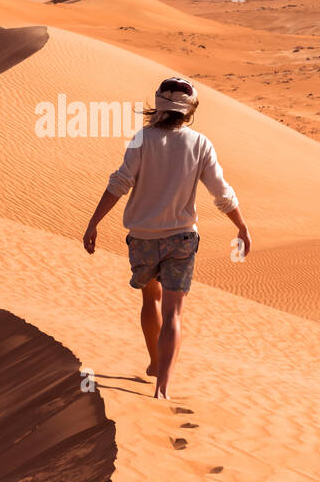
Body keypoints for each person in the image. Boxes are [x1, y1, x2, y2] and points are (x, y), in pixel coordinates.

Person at [82, 77, 250, 399]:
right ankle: (162, 389)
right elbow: (221, 192)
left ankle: (156, 362)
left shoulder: (141, 139)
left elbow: (120, 182)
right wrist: (241, 226)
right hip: (181, 239)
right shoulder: (200, 144)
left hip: (143, 237)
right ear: (189, 111)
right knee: (174, 312)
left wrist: (94, 222)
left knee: (151, 300)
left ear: (159, 105)